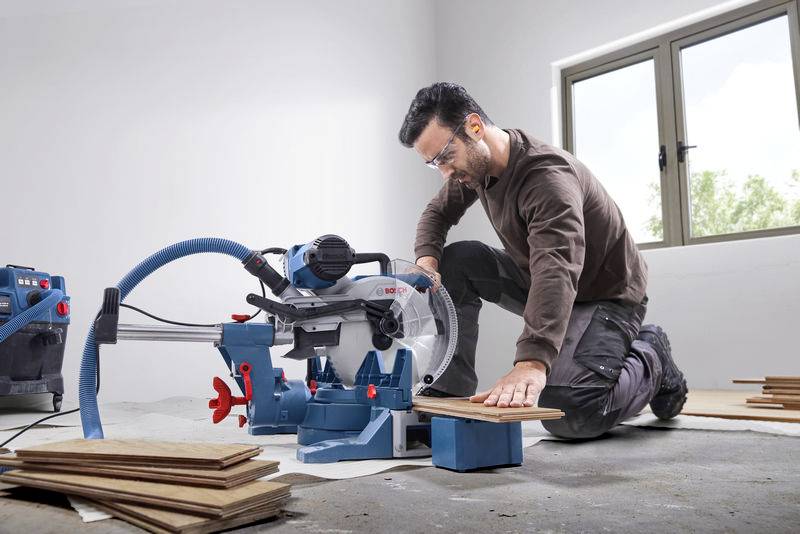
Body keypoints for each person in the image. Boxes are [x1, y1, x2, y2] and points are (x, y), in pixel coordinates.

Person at [398, 82, 688, 439]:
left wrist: (531, 364)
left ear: (474, 127)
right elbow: (435, 215)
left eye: (444, 156)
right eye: (433, 164)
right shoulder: (475, 168)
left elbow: (557, 269)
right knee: (457, 261)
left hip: (605, 295)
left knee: (572, 412)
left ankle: (652, 354)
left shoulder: (547, 178)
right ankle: (447, 389)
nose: (444, 171)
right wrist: (426, 260)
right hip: (541, 278)